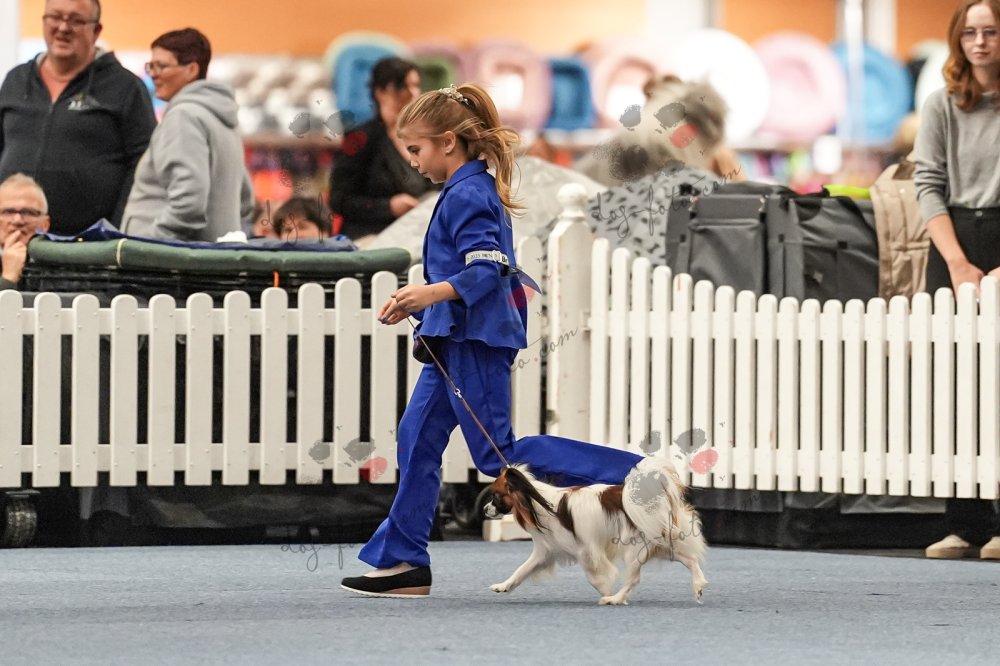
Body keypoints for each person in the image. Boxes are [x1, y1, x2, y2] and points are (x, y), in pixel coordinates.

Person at [339, 84, 644, 598]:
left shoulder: (469, 193)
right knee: (417, 439)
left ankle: (636, 476)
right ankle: (403, 561)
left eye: (415, 149)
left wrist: (426, 294)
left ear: (449, 142)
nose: (411, 160)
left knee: (499, 455)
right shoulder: (465, 189)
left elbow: (486, 270)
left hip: (473, 339)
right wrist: (426, 300)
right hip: (455, 336)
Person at [915, 0, 1000, 561]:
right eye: (969, 32)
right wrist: (958, 264)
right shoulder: (941, 104)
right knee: (954, 387)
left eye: (990, 31)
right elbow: (928, 184)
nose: (980, 42)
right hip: (952, 241)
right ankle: (964, 525)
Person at [0, 0, 155, 235]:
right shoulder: (16, 80)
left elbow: (143, 165)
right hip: (14, 238)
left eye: (76, 20)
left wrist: (116, 229)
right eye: (55, 17)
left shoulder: (125, 88)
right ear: (44, 21)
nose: (63, 28)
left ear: (96, 31)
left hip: (89, 245)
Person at [121, 28, 254, 243]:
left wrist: (150, 244)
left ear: (192, 69)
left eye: (162, 66)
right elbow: (245, 200)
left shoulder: (183, 117)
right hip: (212, 256)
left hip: (168, 258)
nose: (153, 74)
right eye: (151, 66)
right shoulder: (222, 119)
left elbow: (188, 203)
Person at [328, 56, 436, 244]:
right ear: (380, 92)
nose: (412, 93)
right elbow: (339, 200)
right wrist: (388, 207)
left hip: (414, 238)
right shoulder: (359, 138)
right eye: (402, 86)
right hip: (368, 240)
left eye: (416, 85)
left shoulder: (426, 138)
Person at [0, 174, 51, 290]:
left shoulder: (59, 265)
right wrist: (8, 278)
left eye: (28, 212)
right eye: (8, 212)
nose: (18, 220)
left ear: (45, 224)